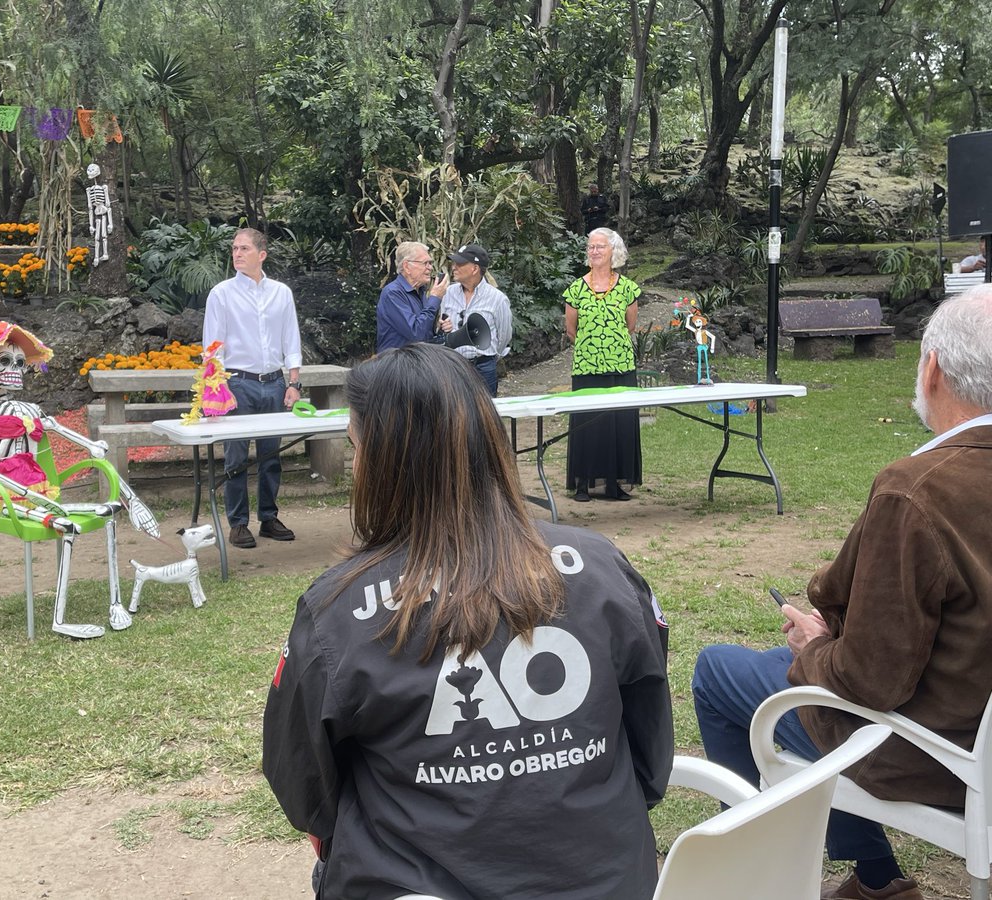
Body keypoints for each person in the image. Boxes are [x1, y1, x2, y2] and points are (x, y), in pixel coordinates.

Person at [263, 343, 673, 900]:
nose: (354, 465)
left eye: (356, 448)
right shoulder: (602, 566)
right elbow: (649, 751)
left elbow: (305, 790)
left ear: (386, 462)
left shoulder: (337, 611)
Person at [691, 286, 992, 900]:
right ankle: (875, 879)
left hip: (940, 756)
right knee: (792, 669)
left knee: (719, 671)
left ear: (932, 370)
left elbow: (869, 683)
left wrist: (816, 649)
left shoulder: (917, 490)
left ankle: (760, 877)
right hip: (967, 715)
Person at [202, 227, 302, 549]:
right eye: (234, 248)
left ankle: (269, 518)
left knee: (271, 456)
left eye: (244, 248)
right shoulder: (221, 294)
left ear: (262, 254)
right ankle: (238, 523)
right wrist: (213, 390)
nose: (237, 254)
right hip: (236, 384)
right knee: (236, 457)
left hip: (274, 383)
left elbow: (291, 339)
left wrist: (294, 383)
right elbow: (212, 347)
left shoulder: (281, 293)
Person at [563, 227, 642, 502]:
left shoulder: (628, 288)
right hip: (587, 367)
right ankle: (583, 483)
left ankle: (613, 483)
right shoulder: (575, 289)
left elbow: (630, 326)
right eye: (591, 247)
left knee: (618, 423)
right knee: (586, 423)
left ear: (613, 252)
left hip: (620, 366)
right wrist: (593, 349)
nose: (594, 251)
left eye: (600, 247)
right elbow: (571, 331)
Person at [437, 243, 513, 395]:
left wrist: (489, 358)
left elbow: (504, 335)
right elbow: (440, 323)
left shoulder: (497, 299)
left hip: (483, 367)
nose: (454, 267)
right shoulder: (447, 293)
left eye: (460, 264)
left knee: (485, 415)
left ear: (475, 269)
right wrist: (443, 326)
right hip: (453, 366)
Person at [375, 241, 449, 352]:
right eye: (425, 263)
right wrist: (435, 298)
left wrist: (439, 327)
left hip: (417, 363)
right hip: (396, 365)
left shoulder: (420, 292)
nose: (430, 268)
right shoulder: (393, 293)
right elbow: (416, 333)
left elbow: (425, 333)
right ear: (407, 266)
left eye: (430, 263)